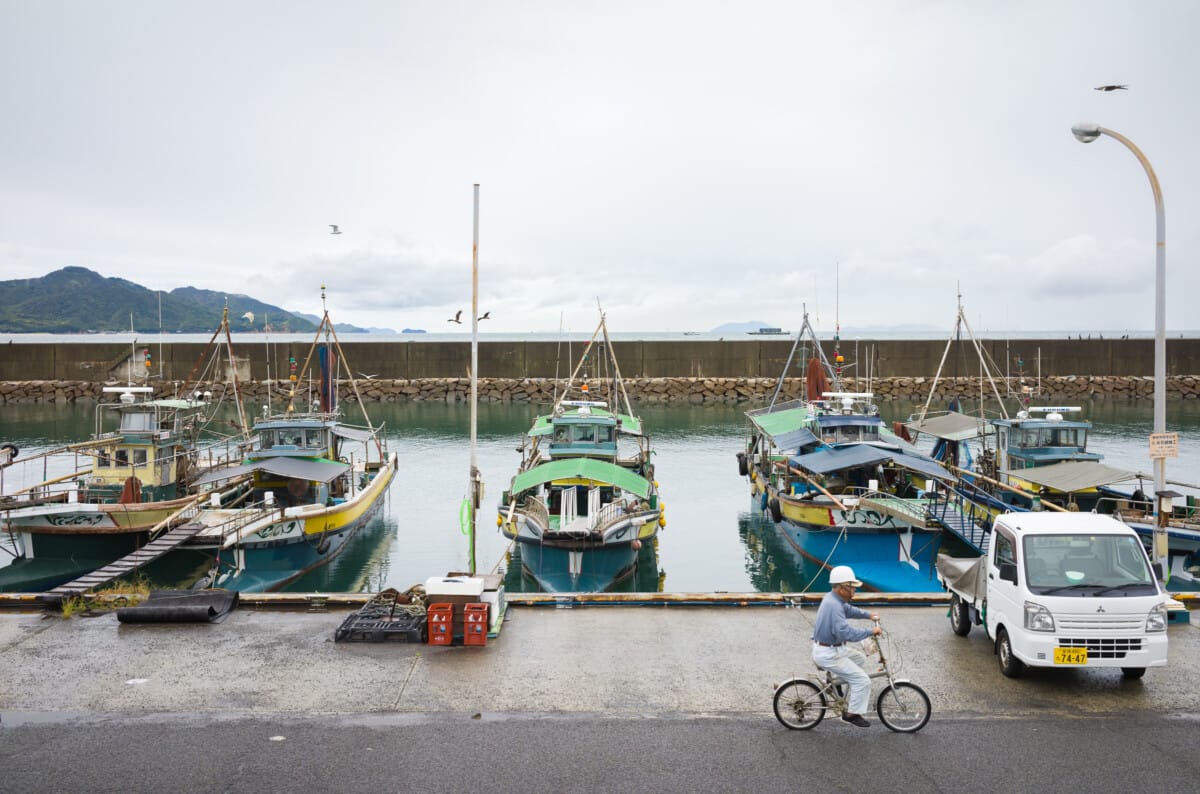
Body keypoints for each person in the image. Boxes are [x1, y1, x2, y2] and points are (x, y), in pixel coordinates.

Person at [811, 565, 882, 728]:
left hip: (831, 648)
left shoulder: (833, 599)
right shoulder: (834, 605)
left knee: (860, 659)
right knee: (862, 680)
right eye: (852, 587)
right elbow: (846, 633)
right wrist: (870, 631)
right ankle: (852, 714)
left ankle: (834, 683)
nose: (854, 591)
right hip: (828, 653)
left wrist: (869, 615)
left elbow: (849, 610)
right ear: (842, 587)